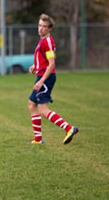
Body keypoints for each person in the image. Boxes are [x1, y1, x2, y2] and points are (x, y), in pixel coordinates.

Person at [28, 14, 79, 145]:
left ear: (49, 28)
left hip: (46, 77)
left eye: (44, 27)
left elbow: (51, 64)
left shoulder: (48, 42)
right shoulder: (43, 41)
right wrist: (36, 66)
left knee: (43, 109)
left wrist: (40, 81)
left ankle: (69, 128)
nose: (41, 29)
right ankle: (38, 139)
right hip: (42, 75)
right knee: (31, 104)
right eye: (39, 25)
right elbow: (45, 60)